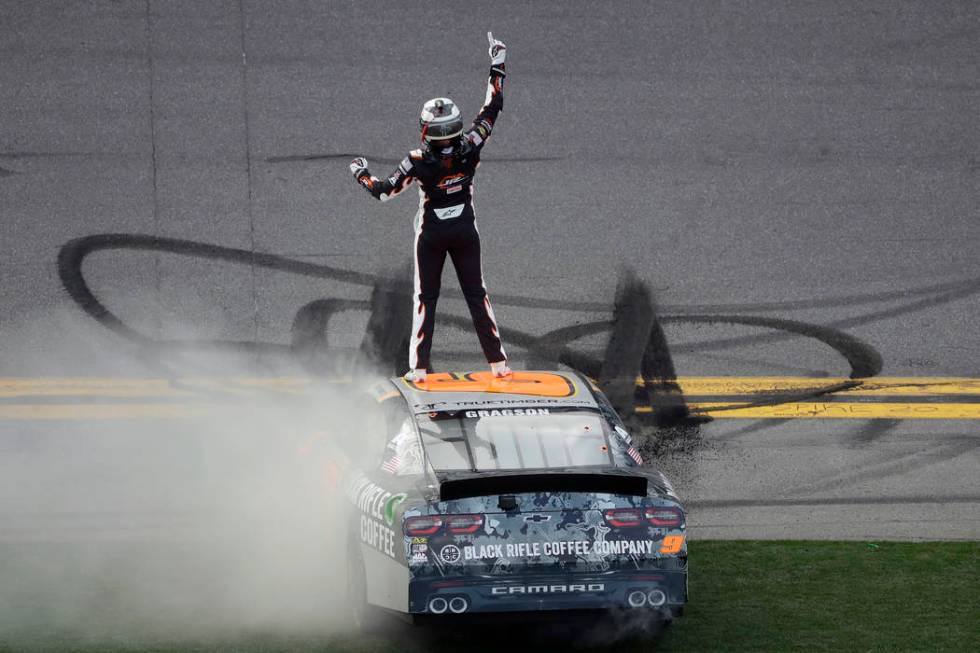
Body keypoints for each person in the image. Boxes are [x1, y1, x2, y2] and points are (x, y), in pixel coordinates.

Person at [349, 32, 511, 383]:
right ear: (454, 128)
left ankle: (419, 370)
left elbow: (382, 192)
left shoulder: (417, 161)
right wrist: (497, 61)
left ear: (426, 132)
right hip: (466, 232)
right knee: (477, 295)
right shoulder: (472, 144)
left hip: (432, 236)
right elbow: (493, 107)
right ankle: (499, 365)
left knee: (425, 299)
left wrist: (360, 172)